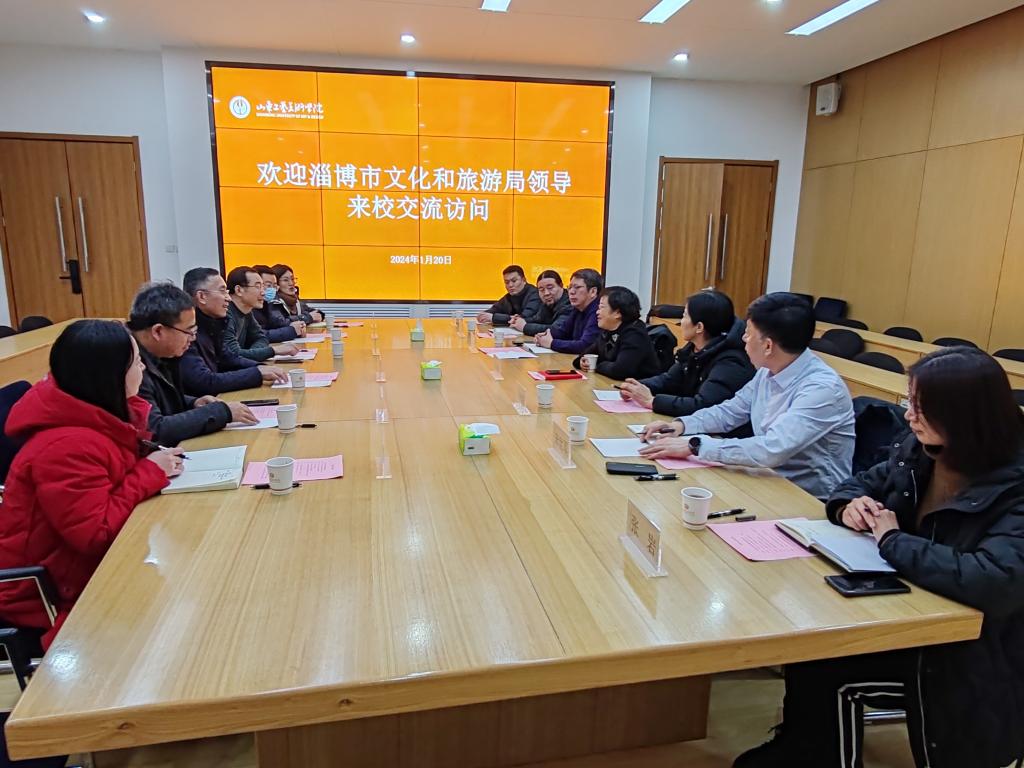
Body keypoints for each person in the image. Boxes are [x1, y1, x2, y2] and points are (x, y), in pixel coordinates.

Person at [735, 347, 1024, 768]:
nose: (909, 416)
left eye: (921, 408)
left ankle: (815, 755)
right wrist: (848, 507)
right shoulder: (920, 449)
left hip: (972, 651)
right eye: (910, 402)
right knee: (813, 636)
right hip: (910, 604)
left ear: (963, 416)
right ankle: (801, 747)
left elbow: (994, 580)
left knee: (830, 666)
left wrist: (892, 540)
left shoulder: (1013, 484)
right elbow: (857, 483)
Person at [0, 320, 183, 648]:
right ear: (109, 376)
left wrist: (150, 461)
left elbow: (111, 481)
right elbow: (95, 535)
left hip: (76, 571)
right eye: (136, 362)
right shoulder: (66, 446)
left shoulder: (97, 413)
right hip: (44, 597)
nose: (143, 368)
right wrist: (149, 472)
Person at [639, 292, 854, 499]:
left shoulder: (822, 389)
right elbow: (731, 411)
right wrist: (682, 425)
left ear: (768, 346)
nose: (743, 338)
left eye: (748, 333)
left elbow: (772, 449)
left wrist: (695, 445)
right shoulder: (767, 371)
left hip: (808, 498)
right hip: (765, 479)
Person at [127, 282, 258, 445]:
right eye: (188, 331)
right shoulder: (129, 364)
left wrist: (193, 402)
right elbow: (155, 429)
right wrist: (222, 412)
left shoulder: (160, 352)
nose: (193, 338)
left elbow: (160, 399)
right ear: (158, 331)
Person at [621, 290, 754, 417]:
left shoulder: (730, 362)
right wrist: (637, 386)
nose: (681, 322)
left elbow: (703, 405)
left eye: (684, 316)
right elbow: (669, 380)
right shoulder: (694, 348)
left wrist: (653, 401)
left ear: (699, 327)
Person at [180, 268, 287, 396]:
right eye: (222, 291)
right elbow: (204, 381)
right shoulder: (186, 332)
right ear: (202, 296)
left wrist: (260, 367)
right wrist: (257, 373)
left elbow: (229, 358)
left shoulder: (214, 323)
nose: (228, 298)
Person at [573, 286, 661, 380]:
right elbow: (582, 357)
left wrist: (596, 365)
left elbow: (620, 371)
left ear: (617, 313)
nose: (597, 312)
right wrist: (582, 362)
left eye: (602, 307)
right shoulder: (607, 330)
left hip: (641, 386)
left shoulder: (635, 334)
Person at [224, 266, 299, 362]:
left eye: (263, 287)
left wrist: (256, 353)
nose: (263, 293)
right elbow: (234, 355)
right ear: (238, 290)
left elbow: (261, 338)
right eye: (258, 287)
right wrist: (273, 351)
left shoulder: (247, 311)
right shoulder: (225, 314)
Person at [533, 269, 602, 354]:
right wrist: (544, 335)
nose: (571, 292)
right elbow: (563, 332)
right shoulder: (578, 308)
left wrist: (551, 343)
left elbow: (585, 346)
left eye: (577, 287)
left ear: (593, 291)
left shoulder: (599, 311)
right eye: (570, 287)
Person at [251, 264, 305, 343]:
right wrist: (291, 331)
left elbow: (275, 323)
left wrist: (296, 326)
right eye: (268, 285)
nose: (291, 283)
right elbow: (258, 336)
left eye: (275, 286)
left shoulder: (266, 303)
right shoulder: (248, 308)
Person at [510, 269, 572, 336]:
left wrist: (525, 327)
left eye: (550, 288)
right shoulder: (547, 303)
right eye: (541, 290)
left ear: (561, 285)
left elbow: (556, 329)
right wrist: (519, 320)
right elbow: (537, 319)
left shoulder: (570, 303)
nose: (546, 293)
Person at [477, 265, 541, 327]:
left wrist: (494, 318)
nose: (510, 285)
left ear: (524, 280)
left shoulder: (535, 294)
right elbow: (493, 310)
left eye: (514, 281)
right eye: (507, 282)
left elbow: (523, 318)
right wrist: (484, 315)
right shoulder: (508, 297)